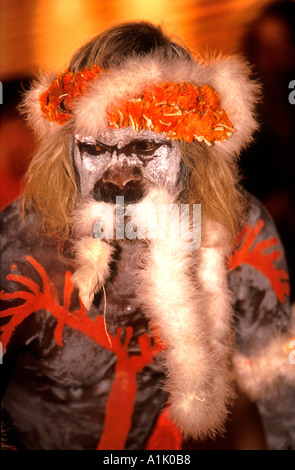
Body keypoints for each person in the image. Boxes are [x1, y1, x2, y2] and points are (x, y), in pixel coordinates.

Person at [1, 21, 294, 451]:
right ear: (67, 150)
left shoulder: (242, 233)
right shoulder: (17, 247)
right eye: (96, 149)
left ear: (192, 153)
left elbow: (277, 397)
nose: (118, 179)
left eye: (144, 147)